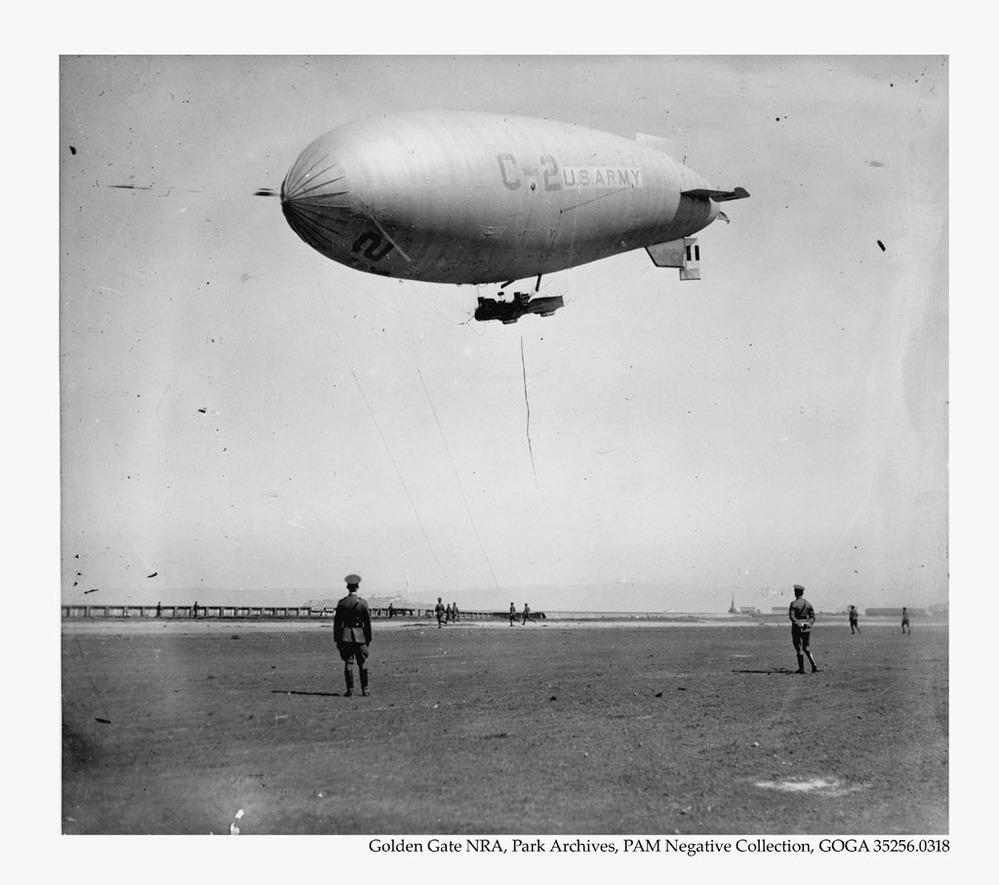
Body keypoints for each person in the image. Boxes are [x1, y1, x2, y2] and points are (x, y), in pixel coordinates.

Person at [333, 574, 372, 697]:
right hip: (360, 637)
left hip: (346, 637)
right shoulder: (363, 603)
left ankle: (350, 690)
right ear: (357, 587)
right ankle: (365, 689)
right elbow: (367, 624)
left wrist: (338, 640)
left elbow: (337, 624)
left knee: (348, 663)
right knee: (362, 663)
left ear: (347, 587)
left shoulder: (342, 603)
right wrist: (368, 639)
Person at [788, 584, 818, 673]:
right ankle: (814, 664)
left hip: (797, 628)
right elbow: (813, 616)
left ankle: (801, 669)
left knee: (799, 649)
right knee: (806, 648)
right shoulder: (808, 603)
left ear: (796, 593)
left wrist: (799, 623)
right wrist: (809, 623)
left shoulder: (793, 604)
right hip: (807, 628)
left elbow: (792, 617)